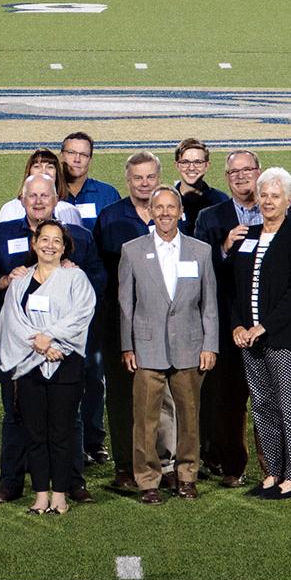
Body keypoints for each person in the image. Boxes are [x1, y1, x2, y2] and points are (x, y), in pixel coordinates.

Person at [0, 175, 105, 504]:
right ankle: (12, 482)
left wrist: (54, 340)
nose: (38, 201)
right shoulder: (3, 233)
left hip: (63, 353)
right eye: (32, 195)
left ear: (55, 199)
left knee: (69, 420)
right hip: (20, 351)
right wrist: (5, 280)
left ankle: (72, 482)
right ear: (22, 199)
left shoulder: (79, 238)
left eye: (44, 196)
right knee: (16, 417)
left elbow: (95, 285)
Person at [117, 187, 218, 504]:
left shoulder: (201, 251)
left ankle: (187, 477)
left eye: (170, 207)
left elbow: (209, 304)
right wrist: (128, 346)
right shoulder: (132, 250)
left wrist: (210, 345)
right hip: (147, 349)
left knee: (190, 419)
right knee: (145, 421)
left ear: (180, 212)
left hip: (190, 347)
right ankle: (148, 480)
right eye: (158, 207)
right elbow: (125, 305)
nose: (164, 213)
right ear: (150, 211)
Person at [0, 221, 97, 516]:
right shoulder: (20, 281)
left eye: (56, 241)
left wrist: (51, 339)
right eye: (45, 239)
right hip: (30, 365)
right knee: (35, 433)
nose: (50, 246)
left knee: (61, 433)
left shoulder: (76, 278)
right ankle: (40, 495)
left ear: (64, 248)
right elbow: (12, 319)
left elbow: (82, 313)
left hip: (65, 362)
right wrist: (40, 345)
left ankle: (60, 495)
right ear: (34, 243)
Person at [231, 168, 291, 500]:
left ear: (288, 201)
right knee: (262, 405)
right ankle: (273, 471)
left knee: (289, 404)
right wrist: (239, 326)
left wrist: (265, 326)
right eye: (264, 195)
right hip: (248, 339)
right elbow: (233, 287)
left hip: (280, 337)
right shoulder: (248, 235)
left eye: (275, 196)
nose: (268, 201)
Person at [186, 150, 263, 488]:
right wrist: (224, 248)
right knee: (228, 399)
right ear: (226, 176)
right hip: (226, 321)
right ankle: (232, 465)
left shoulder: (276, 208)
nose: (241, 176)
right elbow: (199, 272)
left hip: (266, 321)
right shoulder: (210, 217)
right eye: (234, 172)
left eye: (248, 169)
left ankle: (275, 466)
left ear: (259, 172)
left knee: (270, 397)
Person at [96, 152, 168, 490]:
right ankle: (126, 466)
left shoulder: (170, 213)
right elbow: (100, 270)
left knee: (164, 395)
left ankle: (164, 463)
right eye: (137, 177)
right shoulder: (111, 216)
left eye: (150, 177)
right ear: (127, 180)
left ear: (159, 178)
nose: (144, 183)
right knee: (123, 394)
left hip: (164, 320)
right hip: (120, 319)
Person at [0, 150, 84, 226]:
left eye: (50, 167)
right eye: (37, 166)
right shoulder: (10, 209)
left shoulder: (70, 211)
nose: (44, 172)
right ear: (29, 172)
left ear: (57, 174)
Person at [172, 139, 228, 227]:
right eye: (185, 162)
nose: (191, 168)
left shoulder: (221, 200)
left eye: (198, 162)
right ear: (177, 165)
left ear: (207, 166)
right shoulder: (166, 200)